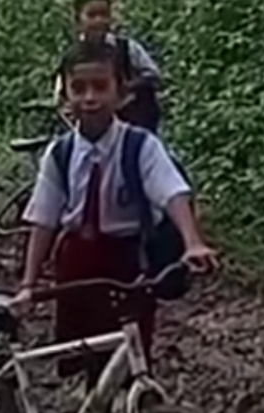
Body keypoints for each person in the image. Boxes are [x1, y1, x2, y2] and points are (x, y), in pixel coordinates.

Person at [19, 37, 216, 388]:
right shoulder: (60, 154)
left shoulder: (140, 147)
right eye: (78, 89)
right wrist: (29, 284)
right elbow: (44, 219)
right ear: (65, 97)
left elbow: (172, 192)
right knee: (86, 355)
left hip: (127, 265)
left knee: (132, 356)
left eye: (100, 87)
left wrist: (192, 242)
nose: (90, 98)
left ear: (122, 94)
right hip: (76, 267)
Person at [53, 0, 164, 133]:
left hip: (136, 123)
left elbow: (154, 76)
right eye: (92, 15)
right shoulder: (71, 57)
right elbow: (61, 99)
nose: (99, 20)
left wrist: (127, 88)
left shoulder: (127, 48)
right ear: (78, 20)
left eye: (104, 14)